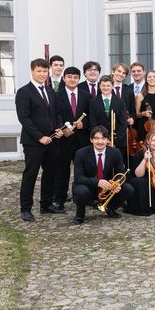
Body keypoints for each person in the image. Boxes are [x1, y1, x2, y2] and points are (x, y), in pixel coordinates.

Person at [15, 58, 62, 221]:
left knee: (50, 173)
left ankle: (46, 205)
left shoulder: (50, 91)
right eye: (39, 71)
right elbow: (24, 118)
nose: (42, 74)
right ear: (32, 71)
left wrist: (58, 128)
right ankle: (25, 209)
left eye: (44, 71)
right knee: (31, 174)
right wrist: (39, 137)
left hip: (52, 140)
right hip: (33, 142)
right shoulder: (24, 92)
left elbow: (55, 114)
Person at [72, 126, 134, 224]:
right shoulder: (81, 153)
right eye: (97, 138)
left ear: (108, 140)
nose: (100, 142)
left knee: (128, 189)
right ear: (91, 139)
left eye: (103, 138)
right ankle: (80, 215)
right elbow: (78, 178)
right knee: (80, 191)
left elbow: (121, 172)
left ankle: (111, 209)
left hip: (107, 187)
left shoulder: (115, 152)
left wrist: (117, 183)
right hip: (89, 186)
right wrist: (97, 182)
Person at [53, 66, 90, 212]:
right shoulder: (57, 95)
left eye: (75, 77)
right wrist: (62, 128)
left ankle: (82, 197)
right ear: (64, 79)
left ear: (79, 79)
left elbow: (92, 116)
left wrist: (83, 124)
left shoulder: (87, 96)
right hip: (64, 139)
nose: (72, 79)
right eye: (69, 77)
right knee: (62, 170)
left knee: (83, 170)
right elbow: (55, 115)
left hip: (82, 139)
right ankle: (59, 199)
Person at [125, 130, 155, 216]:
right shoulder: (140, 154)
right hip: (145, 178)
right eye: (153, 140)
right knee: (140, 182)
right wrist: (145, 159)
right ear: (148, 142)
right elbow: (138, 174)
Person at [88, 75, 128, 163]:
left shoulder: (120, 101)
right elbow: (93, 123)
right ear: (99, 86)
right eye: (103, 85)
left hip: (117, 141)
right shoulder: (93, 102)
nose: (105, 88)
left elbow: (123, 123)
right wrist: (103, 140)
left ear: (112, 86)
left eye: (108, 85)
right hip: (100, 141)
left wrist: (114, 141)